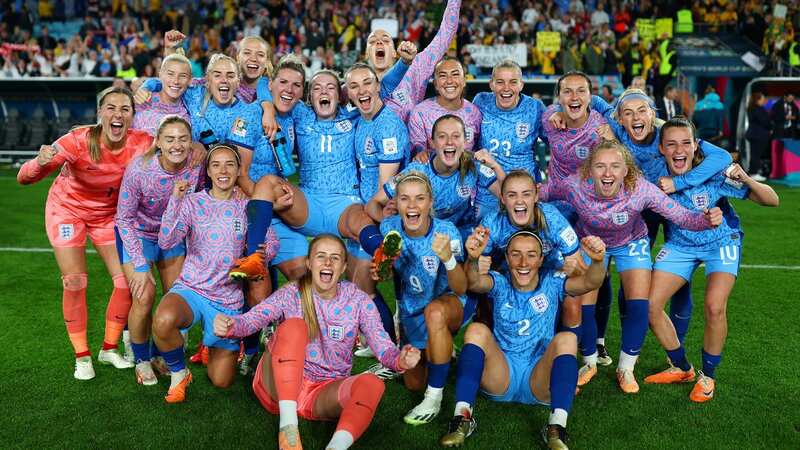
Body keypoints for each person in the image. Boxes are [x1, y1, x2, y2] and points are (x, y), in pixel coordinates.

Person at [539, 140, 722, 393]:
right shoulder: (573, 185)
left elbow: (681, 216)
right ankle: (589, 363)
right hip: (591, 243)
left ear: (626, 171)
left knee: (639, 304)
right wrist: (517, 196)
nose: (607, 173)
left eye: (615, 166)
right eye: (600, 166)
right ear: (589, 170)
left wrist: (705, 220)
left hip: (630, 242)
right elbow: (540, 193)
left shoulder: (641, 189)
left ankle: (626, 369)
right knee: (584, 305)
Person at [213, 234, 421, 450]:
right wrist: (232, 326)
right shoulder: (291, 293)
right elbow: (253, 319)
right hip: (278, 387)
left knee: (372, 383)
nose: (328, 263)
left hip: (323, 392)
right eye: (321, 256)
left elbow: (382, 346)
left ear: (343, 267)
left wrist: (400, 360)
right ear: (309, 264)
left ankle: (337, 446)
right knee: (295, 327)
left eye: (335, 258)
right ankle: (288, 428)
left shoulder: (358, 301)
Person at [17, 87, 152, 380]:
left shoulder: (142, 142)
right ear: (99, 113)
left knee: (125, 283)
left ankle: (108, 349)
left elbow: (175, 148)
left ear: (132, 116)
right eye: (111, 108)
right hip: (68, 211)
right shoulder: (77, 141)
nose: (118, 114)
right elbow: (24, 178)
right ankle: (82, 357)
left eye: (125, 109)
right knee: (75, 281)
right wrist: (39, 163)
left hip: (106, 216)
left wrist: (196, 150)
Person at [645, 118, 779, 402]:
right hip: (680, 245)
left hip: (721, 242)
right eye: (671, 144)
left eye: (685, 143)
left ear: (695, 147)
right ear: (661, 148)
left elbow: (772, 200)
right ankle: (682, 368)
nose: (678, 150)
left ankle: (708, 376)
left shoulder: (715, 174)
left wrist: (746, 178)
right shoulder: (655, 180)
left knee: (715, 307)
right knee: (650, 306)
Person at [439, 230, 607, 448]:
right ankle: (462, 418)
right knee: (476, 330)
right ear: (507, 258)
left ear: (541, 259)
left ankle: (556, 427)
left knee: (566, 338)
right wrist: (472, 259)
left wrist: (597, 262)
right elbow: (473, 283)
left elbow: (590, 283)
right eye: (516, 254)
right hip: (502, 374)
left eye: (531, 255)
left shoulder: (553, 282)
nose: (523, 262)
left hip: (539, 375)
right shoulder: (499, 281)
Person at [152, 144, 279, 403]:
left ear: (238, 170)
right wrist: (175, 200)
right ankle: (180, 374)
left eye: (230, 164)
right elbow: (165, 242)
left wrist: (264, 252)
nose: (223, 170)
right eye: (216, 165)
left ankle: (213, 344)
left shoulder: (248, 206)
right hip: (192, 288)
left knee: (222, 381)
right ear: (208, 171)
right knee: (164, 320)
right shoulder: (192, 202)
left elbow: (271, 241)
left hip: (227, 300)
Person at [372, 171, 470, 426]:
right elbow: (383, 276)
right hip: (411, 312)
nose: (412, 205)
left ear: (429, 203)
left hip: (448, 305)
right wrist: (380, 268)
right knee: (414, 382)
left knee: (435, 313)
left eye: (419, 199)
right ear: (397, 204)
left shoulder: (447, 232)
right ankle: (443, 349)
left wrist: (448, 258)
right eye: (405, 199)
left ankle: (434, 398)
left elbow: (461, 288)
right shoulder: (388, 228)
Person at [115, 116, 204, 385]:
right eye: (170, 139)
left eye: (183, 139)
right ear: (158, 143)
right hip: (139, 233)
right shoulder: (140, 170)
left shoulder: (195, 165)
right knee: (144, 295)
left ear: (191, 142)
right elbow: (124, 219)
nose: (177, 145)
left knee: (175, 297)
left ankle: (159, 354)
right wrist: (141, 266)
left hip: (173, 234)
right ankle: (141, 360)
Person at [367, 115, 504, 240]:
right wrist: (388, 221)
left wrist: (496, 166)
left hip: (463, 232)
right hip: (426, 236)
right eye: (442, 136)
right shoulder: (417, 170)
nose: (449, 142)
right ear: (432, 143)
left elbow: (509, 198)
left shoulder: (473, 165)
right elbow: (372, 204)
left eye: (456, 136)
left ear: (465, 141)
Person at [471, 59, 546, 220]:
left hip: (523, 194)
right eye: (500, 82)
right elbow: (469, 144)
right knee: (484, 241)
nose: (506, 88)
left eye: (513, 82)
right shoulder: (480, 102)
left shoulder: (534, 107)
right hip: (487, 193)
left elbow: (556, 140)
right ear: (491, 84)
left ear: (521, 85)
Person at [367, 0, 462, 123]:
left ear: (394, 52)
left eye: (385, 40)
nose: (379, 42)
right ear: (367, 53)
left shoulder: (416, 67)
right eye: (373, 41)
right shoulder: (358, 84)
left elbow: (445, 35)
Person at [407, 57, 482, 157]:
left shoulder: (474, 113)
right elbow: (418, 151)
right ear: (436, 84)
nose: (449, 81)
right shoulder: (420, 113)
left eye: (455, 74)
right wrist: (421, 153)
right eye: (443, 76)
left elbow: (479, 150)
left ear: (464, 81)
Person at [132, 53, 192, 135]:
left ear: (189, 80)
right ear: (160, 75)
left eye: (182, 76)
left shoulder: (190, 110)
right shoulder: (143, 99)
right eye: (170, 74)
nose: (176, 81)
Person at [745, 92, 772, 181]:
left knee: (755, 154)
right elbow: (765, 122)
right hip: (758, 135)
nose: (764, 101)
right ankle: (753, 173)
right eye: (762, 99)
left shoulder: (752, 108)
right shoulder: (758, 109)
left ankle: (753, 172)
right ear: (758, 100)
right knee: (756, 155)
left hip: (755, 134)